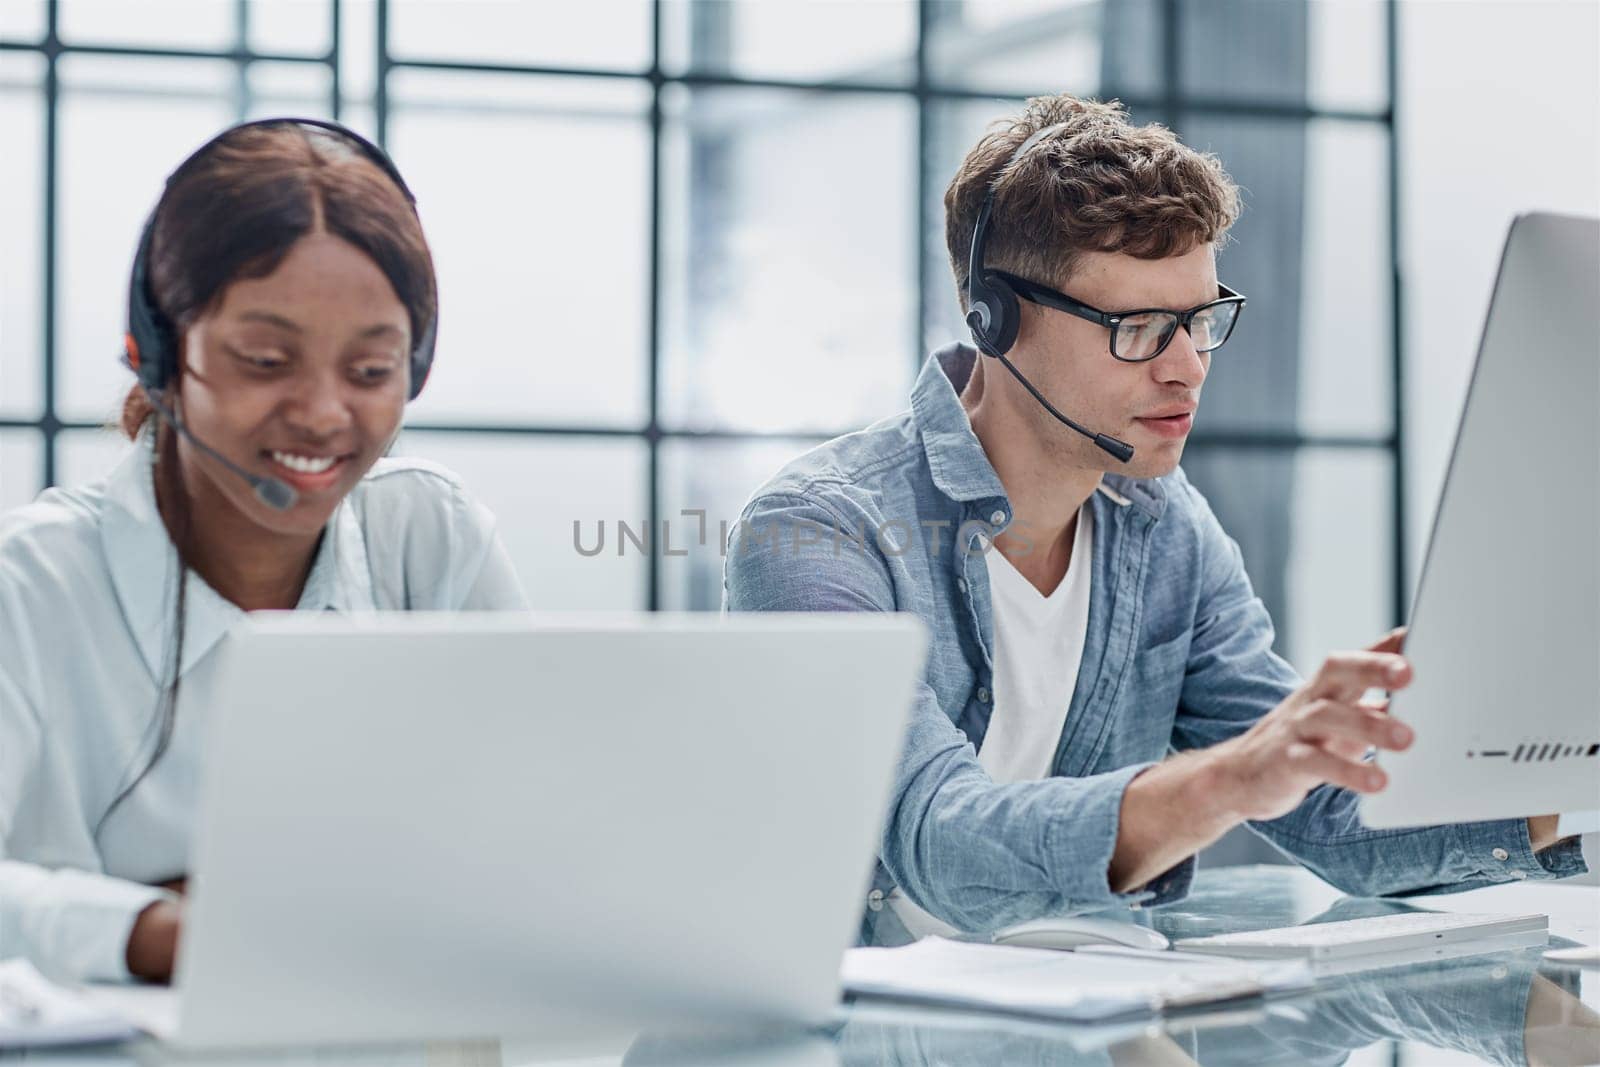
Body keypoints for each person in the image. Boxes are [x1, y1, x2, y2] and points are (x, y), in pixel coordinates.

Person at [723, 94, 1585, 934]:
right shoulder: (818, 533)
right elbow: (938, 838)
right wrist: (1230, 778)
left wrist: (1572, 769)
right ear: (997, 319)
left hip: (1076, 1019)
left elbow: (1330, 815)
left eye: (1200, 320)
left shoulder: (1166, 528)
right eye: (1138, 327)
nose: (1188, 369)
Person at [0, 119, 526, 983]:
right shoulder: (33, 583)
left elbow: (542, 828)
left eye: (369, 372)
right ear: (161, 354)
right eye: (266, 359)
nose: (322, 413)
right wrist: (156, 932)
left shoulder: (431, 538)